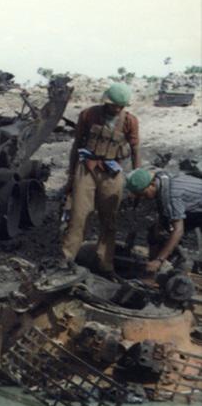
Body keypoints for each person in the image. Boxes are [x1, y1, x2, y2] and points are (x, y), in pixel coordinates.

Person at [61, 83, 141, 278]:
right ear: (106, 102)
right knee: (78, 217)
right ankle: (66, 260)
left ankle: (105, 264)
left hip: (112, 173)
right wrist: (71, 176)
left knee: (109, 221)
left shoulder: (130, 121)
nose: (118, 109)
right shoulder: (88, 115)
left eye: (121, 106)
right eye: (114, 105)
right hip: (86, 169)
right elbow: (77, 145)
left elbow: (135, 149)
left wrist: (137, 178)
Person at [125, 168, 202, 273]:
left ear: (152, 185)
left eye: (143, 194)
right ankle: (154, 267)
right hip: (195, 204)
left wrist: (159, 260)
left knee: (170, 233)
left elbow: (178, 230)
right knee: (157, 231)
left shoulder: (170, 195)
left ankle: (164, 264)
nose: (143, 197)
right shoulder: (161, 180)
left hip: (198, 208)